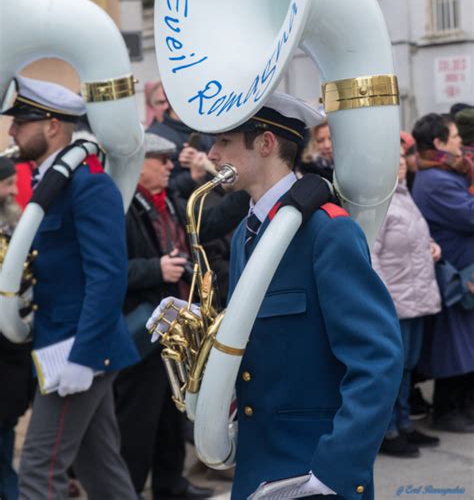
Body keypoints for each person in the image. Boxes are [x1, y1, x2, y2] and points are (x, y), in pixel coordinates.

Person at [149, 93, 403, 500]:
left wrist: (335, 470)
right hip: (257, 463)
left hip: (313, 469)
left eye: (224, 142)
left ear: (265, 143)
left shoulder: (328, 231)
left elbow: (378, 359)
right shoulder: (247, 231)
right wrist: (200, 325)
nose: (211, 154)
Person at [2, 75, 139, 499]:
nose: (11, 132)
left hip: (79, 350)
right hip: (61, 344)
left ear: (52, 126)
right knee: (102, 471)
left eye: (20, 123)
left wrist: (83, 358)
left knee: (39, 470)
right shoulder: (54, 184)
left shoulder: (88, 185)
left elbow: (108, 275)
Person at [114, 133, 213, 500]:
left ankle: (171, 484)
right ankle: (128, 489)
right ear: (140, 164)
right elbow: (109, 271)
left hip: (174, 325)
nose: (172, 166)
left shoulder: (170, 201)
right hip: (142, 328)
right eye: (162, 160)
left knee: (173, 414)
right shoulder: (122, 205)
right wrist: (156, 269)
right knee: (137, 418)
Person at [372, 142, 442, 458]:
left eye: (402, 158)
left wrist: (431, 245)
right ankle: (388, 431)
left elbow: (412, 237)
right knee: (394, 369)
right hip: (395, 299)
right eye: (393, 158)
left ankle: (404, 424)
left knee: (408, 367)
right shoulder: (378, 200)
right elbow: (371, 253)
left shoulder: (404, 194)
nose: (400, 163)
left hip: (415, 295)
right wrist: (382, 299)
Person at [411, 113, 474, 433]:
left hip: (462, 271)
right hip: (454, 275)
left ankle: (463, 407)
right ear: (438, 143)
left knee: (465, 346)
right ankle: (448, 410)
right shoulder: (435, 181)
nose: (461, 142)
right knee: (454, 349)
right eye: (454, 137)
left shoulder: (444, 174)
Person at [0, 157, 33, 500]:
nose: (13, 191)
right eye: (7, 184)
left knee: (7, 425)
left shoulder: (14, 218)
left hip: (14, 346)